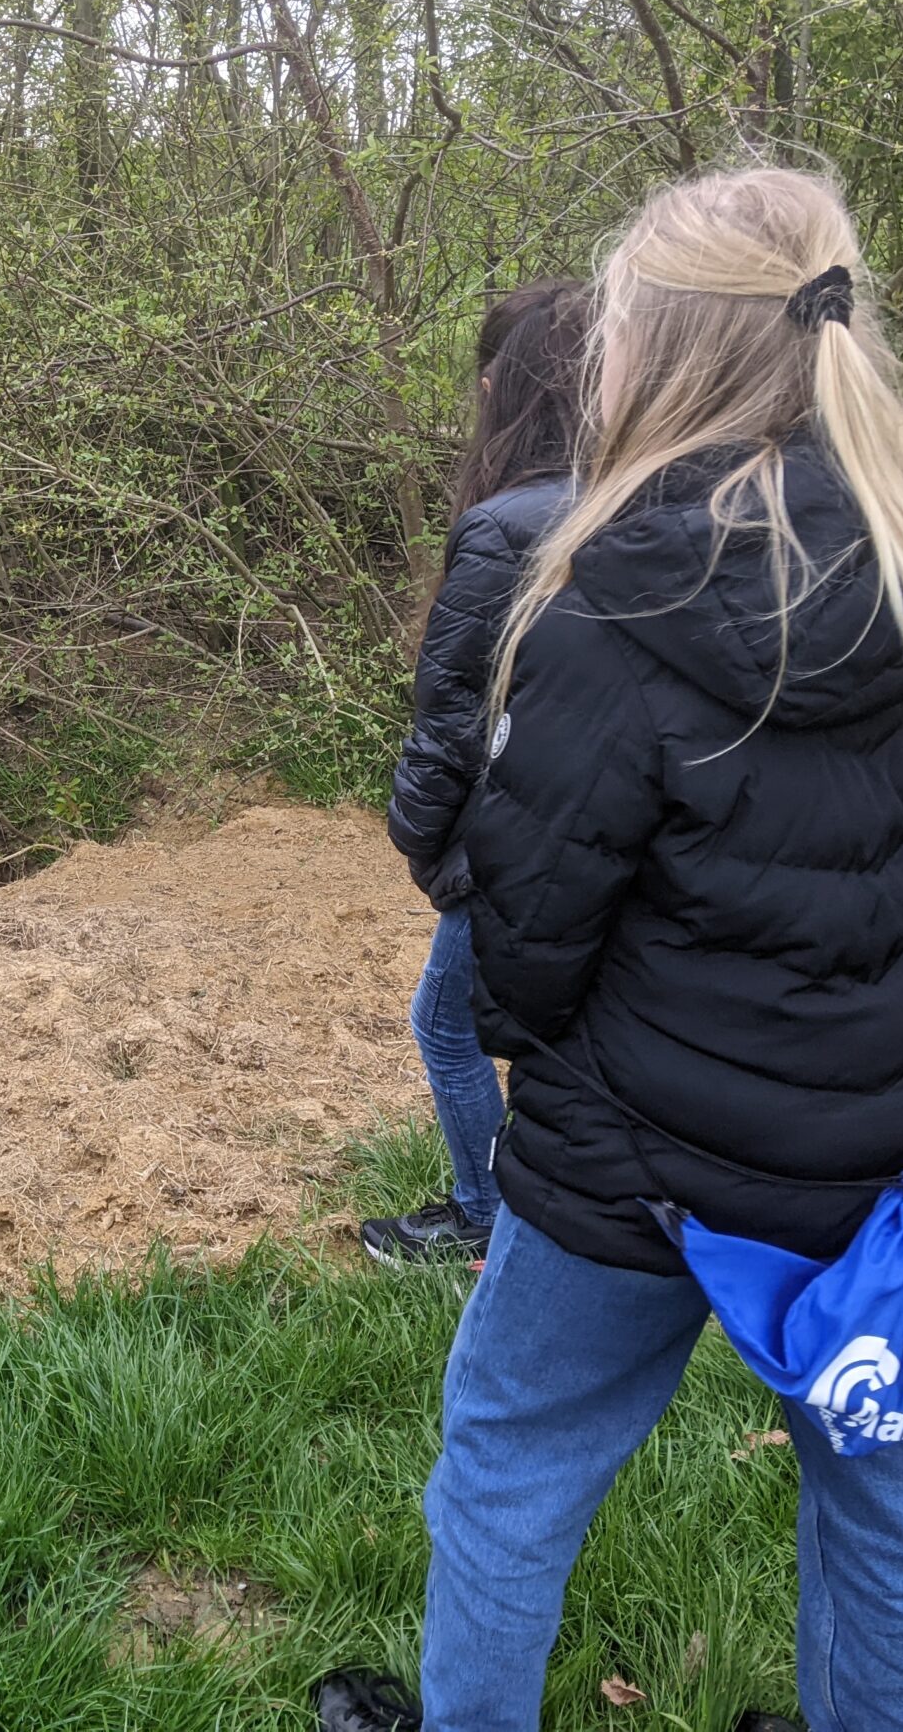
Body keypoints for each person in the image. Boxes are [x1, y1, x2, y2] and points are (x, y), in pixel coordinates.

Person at [319, 168, 903, 1732]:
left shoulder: (607, 591)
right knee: (892, 1512)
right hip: (875, 1142)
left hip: (630, 1147)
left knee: (508, 1459)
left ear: (657, 351)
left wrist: (532, 1051)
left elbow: (528, 915)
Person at [366, 281, 588, 1268]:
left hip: (516, 831)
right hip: (600, 825)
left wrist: (418, 833)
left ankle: (482, 1214)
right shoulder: (639, 498)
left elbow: (450, 713)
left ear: (502, 387)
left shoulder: (507, 525)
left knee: (444, 1025)